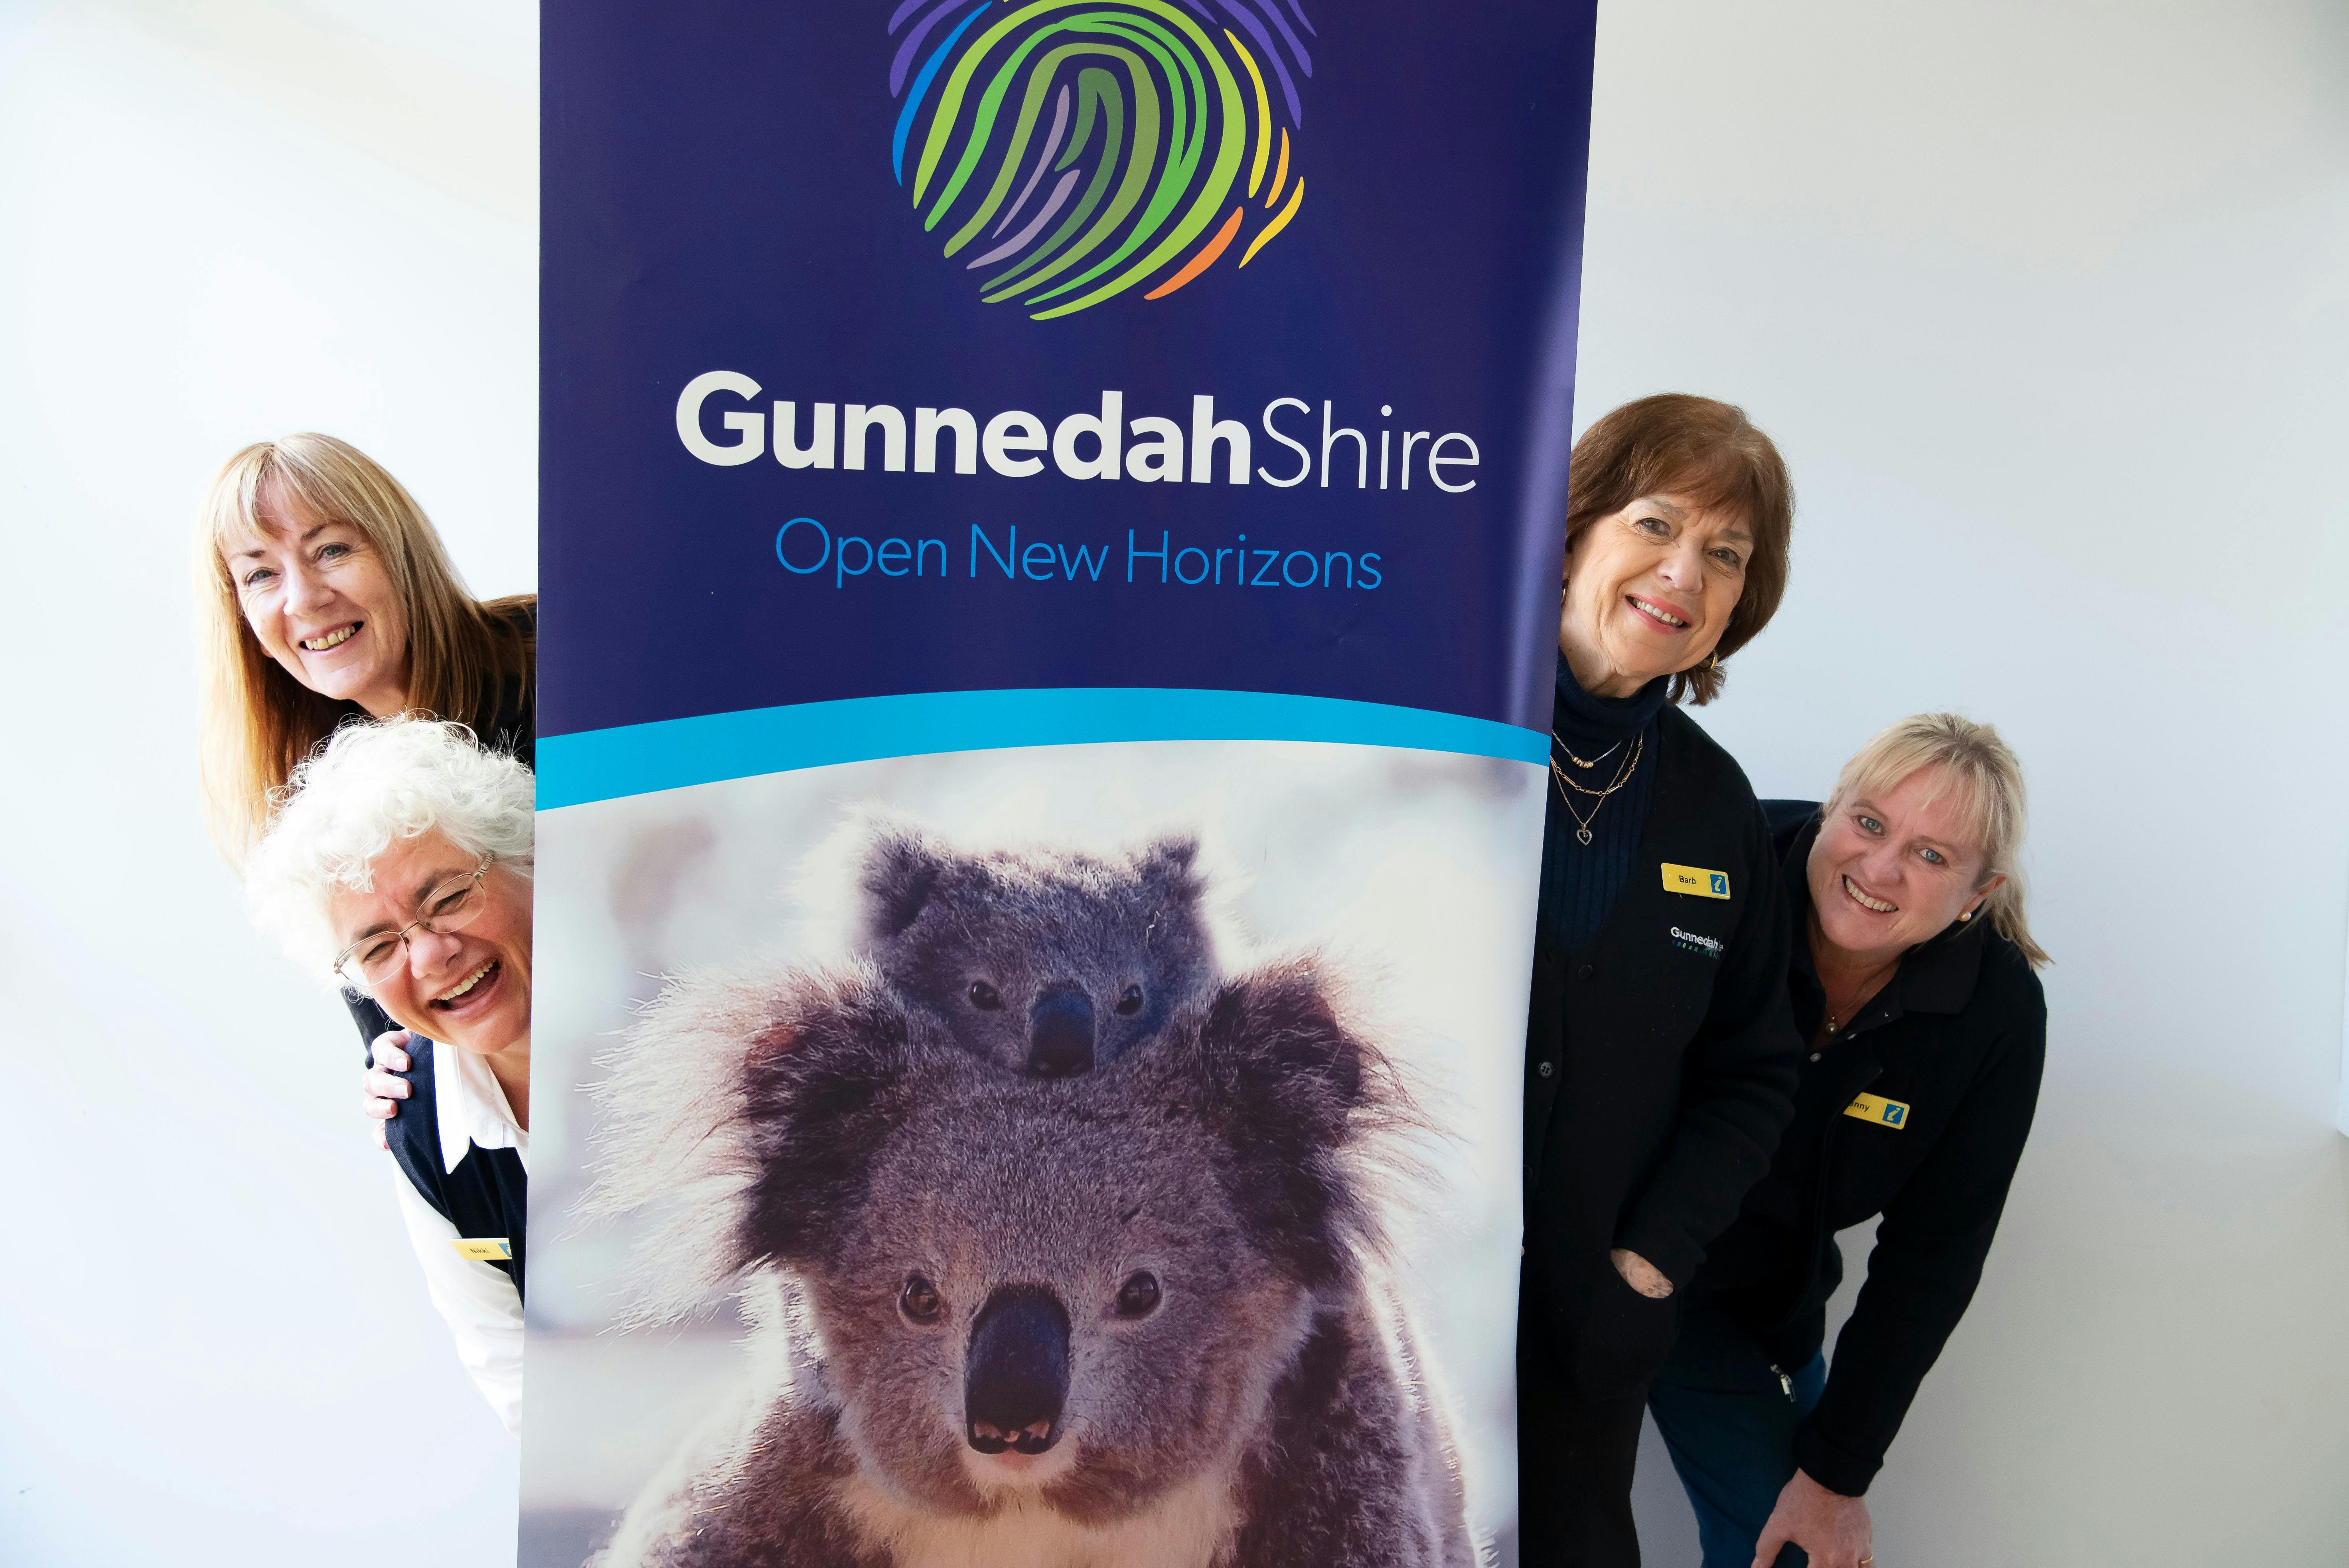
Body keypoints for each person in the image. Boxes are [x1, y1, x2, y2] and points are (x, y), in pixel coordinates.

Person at [1644, 715, 2048, 1568]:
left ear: (1979, 894)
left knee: (1795, 1551)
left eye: (1932, 856)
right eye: (1868, 823)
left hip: (1743, 1307)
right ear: (1831, 811)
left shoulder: (1995, 1016)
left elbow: (1932, 1259)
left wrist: (1836, 1478)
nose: (1879, 870)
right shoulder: (1724, 861)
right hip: (1586, 1259)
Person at [1519, 393, 1805, 1565]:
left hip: (1595, 1331)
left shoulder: (1716, 803)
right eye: (1655, 522)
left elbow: (1753, 1074)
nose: (1684, 572)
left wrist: (1647, 1268)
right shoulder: (1423, 735)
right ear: (1576, 526)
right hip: (1393, 1302)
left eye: (1726, 553)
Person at [194, 431, 535, 1125]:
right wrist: (393, 1066)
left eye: (331, 550)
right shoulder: (320, 810)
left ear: (399, 550)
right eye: (261, 574)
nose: (305, 598)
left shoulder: (564, 662)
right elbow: (406, 1027)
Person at [245, 717, 535, 1432]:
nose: (431, 955)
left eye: (447, 898)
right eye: (378, 947)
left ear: (526, 860)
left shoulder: (669, 1010)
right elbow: (519, 1386)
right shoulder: (420, 1124)